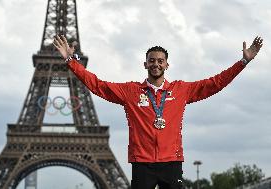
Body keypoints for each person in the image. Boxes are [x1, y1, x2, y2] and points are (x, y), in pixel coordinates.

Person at [53, 35, 263, 189]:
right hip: (142, 162)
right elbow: (98, 85)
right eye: (152, 60)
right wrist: (71, 62)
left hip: (171, 161)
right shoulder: (130, 91)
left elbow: (215, 83)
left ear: (167, 65)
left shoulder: (181, 90)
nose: (156, 64)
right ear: (145, 64)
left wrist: (243, 62)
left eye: (160, 61)